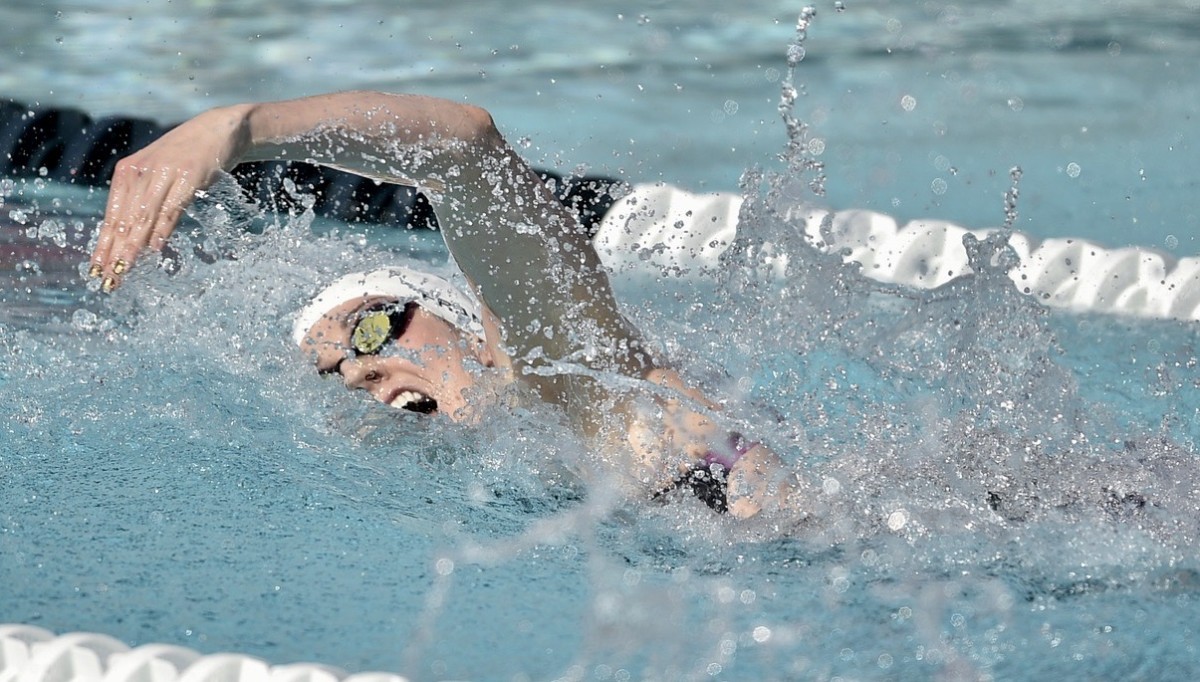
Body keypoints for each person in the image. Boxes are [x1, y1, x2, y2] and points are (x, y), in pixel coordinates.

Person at [88, 90, 797, 519]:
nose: (360, 374)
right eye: (333, 373)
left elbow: (467, 148)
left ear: (460, 320)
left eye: (370, 329)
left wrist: (241, 126)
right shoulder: (521, 457)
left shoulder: (567, 374)